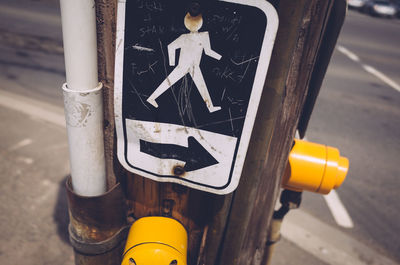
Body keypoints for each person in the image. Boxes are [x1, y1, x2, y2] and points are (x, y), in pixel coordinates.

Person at [147, 13, 222, 113]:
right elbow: (208, 52)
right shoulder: (197, 36)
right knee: (169, 82)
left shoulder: (196, 36)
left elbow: (171, 47)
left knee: (201, 85)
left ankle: (210, 107)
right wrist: (172, 63)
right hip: (185, 66)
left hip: (192, 66)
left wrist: (172, 62)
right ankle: (151, 98)